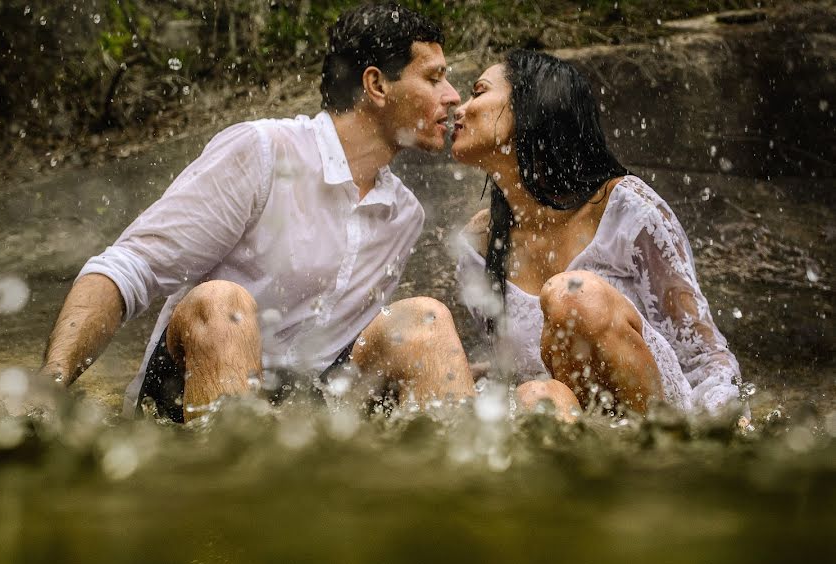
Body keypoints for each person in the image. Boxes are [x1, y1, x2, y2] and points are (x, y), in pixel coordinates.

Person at [38, 3, 476, 422]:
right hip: (189, 390)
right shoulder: (264, 151)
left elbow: (357, 349)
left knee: (425, 320)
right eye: (435, 78)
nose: (452, 96)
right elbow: (128, 268)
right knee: (224, 303)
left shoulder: (403, 216)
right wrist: (50, 385)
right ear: (376, 85)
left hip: (309, 406)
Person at [451, 49, 743, 421]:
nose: (460, 107)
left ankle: (664, 461)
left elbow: (706, 356)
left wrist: (729, 432)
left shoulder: (625, 209)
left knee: (572, 296)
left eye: (479, 91)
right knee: (537, 395)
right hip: (571, 430)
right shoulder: (478, 246)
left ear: (529, 106)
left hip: (661, 420)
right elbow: (525, 369)